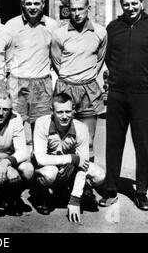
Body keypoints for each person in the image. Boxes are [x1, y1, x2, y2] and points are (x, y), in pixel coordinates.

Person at [99, 0, 148, 211]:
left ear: (141, 3)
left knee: (144, 145)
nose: (130, 7)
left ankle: (142, 192)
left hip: (143, 94)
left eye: (134, 3)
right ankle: (110, 189)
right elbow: (108, 58)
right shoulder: (113, 27)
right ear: (121, 5)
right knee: (113, 143)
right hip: (117, 93)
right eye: (126, 4)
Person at [50, 0, 107, 208]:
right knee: (63, 140)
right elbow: (56, 61)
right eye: (72, 9)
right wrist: (70, 79)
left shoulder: (100, 32)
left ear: (88, 8)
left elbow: (100, 59)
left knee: (88, 142)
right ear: (68, 10)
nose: (76, 13)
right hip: (66, 86)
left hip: (89, 88)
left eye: (80, 9)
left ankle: (86, 188)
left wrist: (85, 78)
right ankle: (61, 186)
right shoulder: (59, 33)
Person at [33, 93, 105, 224]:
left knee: (99, 175)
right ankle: (41, 195)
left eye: (68, 111)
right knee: (49, 174)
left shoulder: (81, 128)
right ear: (52, 111)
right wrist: (71, 158)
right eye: (60, 112)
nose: (65, 116)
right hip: (48, 167)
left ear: (73, 110)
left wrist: (75, 199)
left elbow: (83, 164)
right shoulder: (42, 123)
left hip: (68, 169)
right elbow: (40, 159)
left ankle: (79, 191)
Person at [5, 0, 59, 131]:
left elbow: (56, 56)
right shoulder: (11, 25)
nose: (33, 7)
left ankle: (38, 153)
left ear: (43, 4)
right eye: (29, 3)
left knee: (42, 125)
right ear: (23, 4)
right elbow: (5, 55)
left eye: (36, 3)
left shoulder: (53, 26)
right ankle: (19, 153)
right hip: (17, 81)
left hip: (42, 83)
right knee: (15, 124)